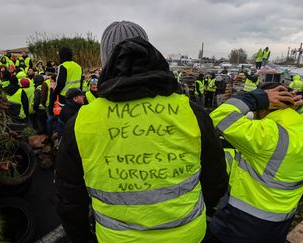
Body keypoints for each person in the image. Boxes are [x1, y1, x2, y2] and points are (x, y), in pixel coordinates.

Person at [55, 20, 228, 243]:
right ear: (148, 51)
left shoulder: (82, 122)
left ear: (106, 60)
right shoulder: (191, 112)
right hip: (188, 235)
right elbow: (216, 181)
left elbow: (70, 200)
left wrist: (82, 238)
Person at [208, 83, 303, 243]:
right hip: (283, 219)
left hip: (242, 221)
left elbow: (219, 116)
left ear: (264, 108)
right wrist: (298, 107)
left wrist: (256, 98)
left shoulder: (266, 135)